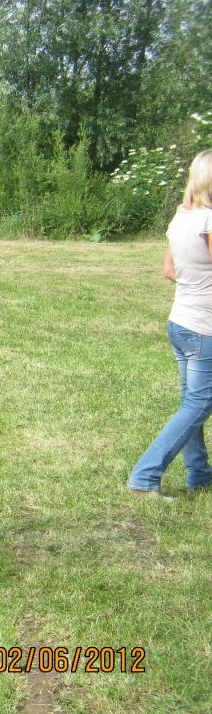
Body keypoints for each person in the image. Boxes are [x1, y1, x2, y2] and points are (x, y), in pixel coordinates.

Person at [129, 150, 212, 500]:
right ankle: (145, 476)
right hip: (204, 328)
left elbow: (169, 270)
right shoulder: (209, 220)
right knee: (198, 404)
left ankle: (200, 475)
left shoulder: (180, 217)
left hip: (180, 322)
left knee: (192, 402)